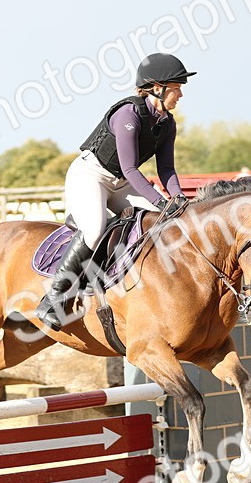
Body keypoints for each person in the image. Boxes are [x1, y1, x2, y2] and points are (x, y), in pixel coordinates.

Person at [34, 53, 195, 330]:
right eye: (177, 87)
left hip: (121, 181)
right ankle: (54, 298)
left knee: (163, 221)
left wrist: (178, 198)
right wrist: (159, 199)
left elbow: (166, 169)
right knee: (95, 229)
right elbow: (131, 168)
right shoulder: (128, 114)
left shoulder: (167, 123)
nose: (180, 94)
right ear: (157, 87)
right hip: (91, 175)